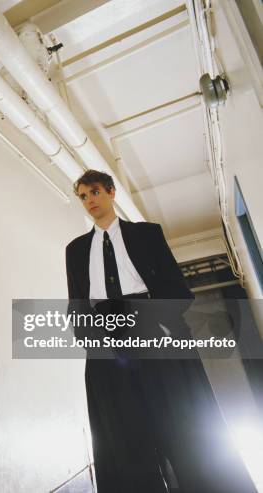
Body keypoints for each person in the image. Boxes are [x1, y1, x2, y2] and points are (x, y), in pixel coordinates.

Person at [65, 169, 255, 493]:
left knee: (182, 418)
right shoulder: (75, 250)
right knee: (121, 430)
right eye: (83, 196)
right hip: (106, 341)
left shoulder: (147, 234)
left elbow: (176, 289)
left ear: (111, 192)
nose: (89, 201)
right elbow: (77, 304)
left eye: (94, 191)